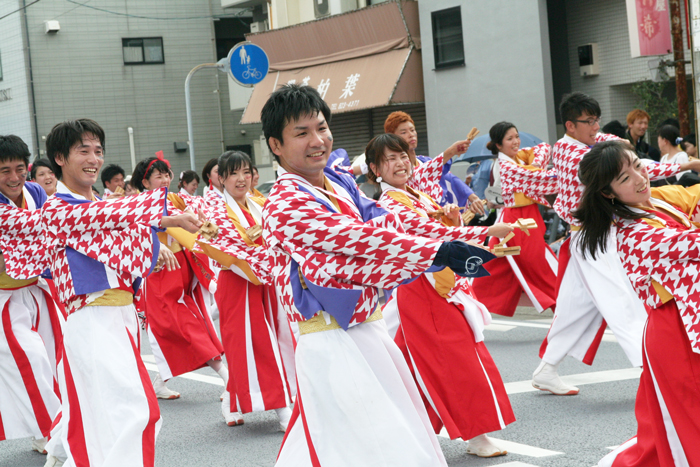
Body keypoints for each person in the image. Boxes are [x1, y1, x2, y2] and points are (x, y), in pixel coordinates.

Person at [261, 84, 483, 466]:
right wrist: (437, 252)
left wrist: (470, 236)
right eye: (302, 133)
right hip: (330, 339)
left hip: (368, 329)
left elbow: (390, 221)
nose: (318, 140)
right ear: (275, 145)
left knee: (361, 443)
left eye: (321, 127)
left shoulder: (340, 182)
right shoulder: (284, 203)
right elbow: (356, 241)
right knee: (386, 447)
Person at [41, 118, 201, 466]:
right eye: (83, 150)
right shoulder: (57, 209)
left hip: (121, 317)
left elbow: (115, 224)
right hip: (94, 318)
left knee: (104, 416)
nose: (93, 159)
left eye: (98, 151)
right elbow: (106, 218)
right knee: (134, 412)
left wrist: (152, 243)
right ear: (59, 158)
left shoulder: (102, 206)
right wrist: (167, 220)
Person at [533, 92, 700, 395]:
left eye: (597, 119)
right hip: (598, 235)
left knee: (576, 307)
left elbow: (631, 161)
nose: (595, 126)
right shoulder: (571, 153)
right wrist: (687, 163)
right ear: (570, 125)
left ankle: (547, 368)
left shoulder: (596, 145)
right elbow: (629, 167)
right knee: (623, 301)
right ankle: (651, 367)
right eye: (588, 121)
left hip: (596, 233)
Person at [366, 133, 515, 458]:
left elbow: (443, 227)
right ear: (376, 170)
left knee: (414, 367)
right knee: (456, 360)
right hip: (424, 289)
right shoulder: (390, 204)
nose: (401, 162)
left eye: (403, 155)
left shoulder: (414, 194)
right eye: (390, 159)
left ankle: (405, 430)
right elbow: (433, 234)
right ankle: (475, 434)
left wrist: (456, 216)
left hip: (437, 285)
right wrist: (485, 231)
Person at [574, 140, 700, 467]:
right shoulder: (633, 232)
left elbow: (694, 197)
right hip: (678, 333)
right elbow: (691, 243)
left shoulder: (655, 200)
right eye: (624, 178)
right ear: (608, 192)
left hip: (688, 321)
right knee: (689, 429)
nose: (639, 178)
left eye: (637, 165)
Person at [197, 150, 293, 430]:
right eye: (234, 174)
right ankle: (281, 407)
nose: (241, 179)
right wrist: (256, 261)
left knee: (276, 339)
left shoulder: (262, 203)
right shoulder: (214, 211)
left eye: (246, 172)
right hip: (237, 283)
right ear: (221, 179)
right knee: (254, 343)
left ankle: (231, 398)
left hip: (269, 282)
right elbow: (218, 247)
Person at [132, 156, 227, 402]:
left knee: (191, 323)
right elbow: (136, 231)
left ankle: (159, 382)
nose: (165, 180)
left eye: (167, 175)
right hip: (161, 273)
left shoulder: (176, 198)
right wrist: (155, 245)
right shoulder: (139, 205)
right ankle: (229, 379)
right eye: (158, 176)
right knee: (187, 326)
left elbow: (202, 214)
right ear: (145, 181)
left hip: (185, 269)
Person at [0, 135, 62, 457]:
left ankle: (46, 432)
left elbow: (50, 229)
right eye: (4, 171)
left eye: (19, 169)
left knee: (53, 364)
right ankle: (57, 436)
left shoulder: (36, 192)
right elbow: (49, 226)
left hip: (38, 291)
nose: (13, 177)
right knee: (32, 360)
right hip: (4, 300)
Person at [472, 122, 559, 317]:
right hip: (516, 222)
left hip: (522, 217)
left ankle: (470, 305)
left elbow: (543, 147)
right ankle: (561, 302)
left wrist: (535, 162)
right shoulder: (507, 166)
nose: (516, 142)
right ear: (498, 145)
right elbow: (540, 179)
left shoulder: (517, 157)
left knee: (496, 264)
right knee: (538, 264)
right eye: (509, 139)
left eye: (516, 137)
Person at [384, 111, 486, 217]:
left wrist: (473, 197)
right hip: (423, 220)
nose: (411, 135)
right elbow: (421, 173)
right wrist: (450, 152)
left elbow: (451, 179)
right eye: (403, 132)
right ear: (392, 138)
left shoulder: (424, 160)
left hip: (445, 216)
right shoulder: (400, 169)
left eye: (412, 130)